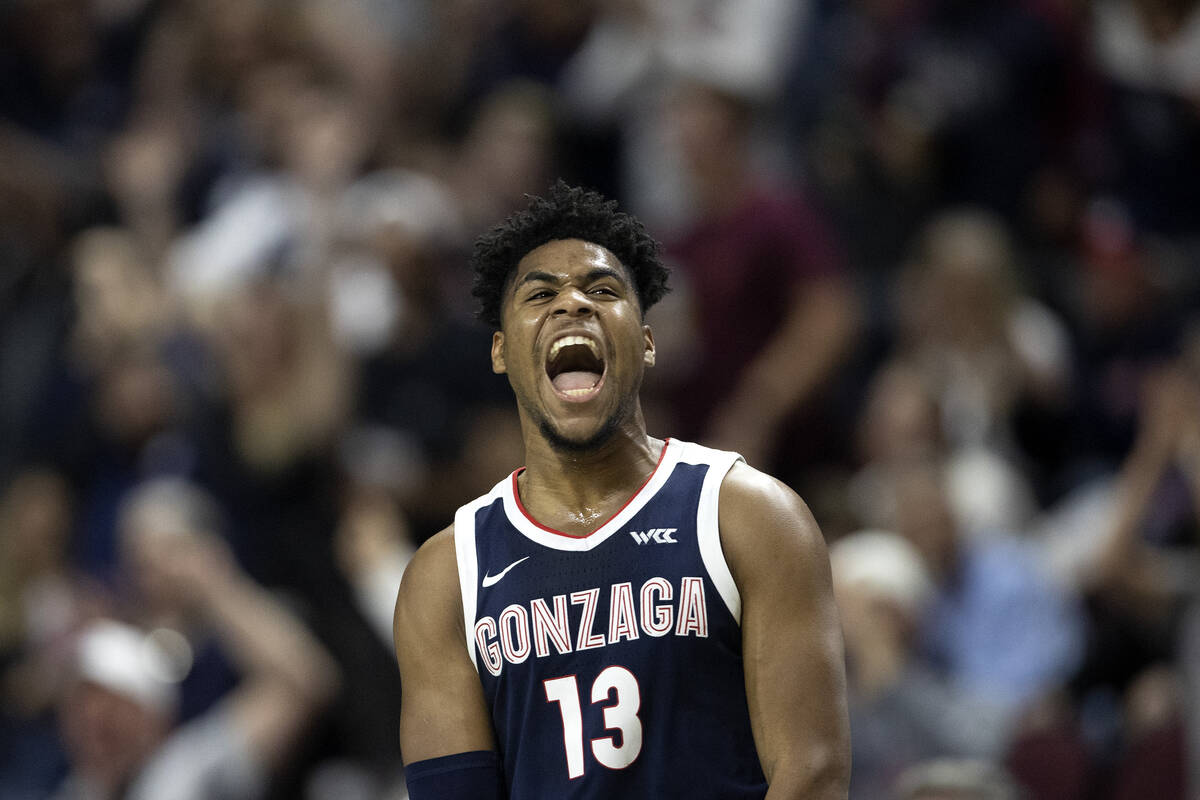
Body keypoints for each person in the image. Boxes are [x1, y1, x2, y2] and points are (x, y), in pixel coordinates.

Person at [393, 181, 850, 799]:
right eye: (541, 294)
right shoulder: (446, 576)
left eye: (602, 290)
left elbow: (814, 774)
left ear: (648, 341)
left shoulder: (748, 515)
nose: (572, 304)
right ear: (501, 352)